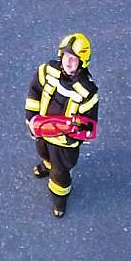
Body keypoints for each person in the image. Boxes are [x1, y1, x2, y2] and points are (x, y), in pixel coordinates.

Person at [29, 31, 102, 216]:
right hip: (41, 132)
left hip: (64, 146)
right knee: (43, 152)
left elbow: (89, 127)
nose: (68, 62)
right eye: (66, 56)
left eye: (74, 58)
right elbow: (34, 93)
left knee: (60, 175)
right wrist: (31, 118)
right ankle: (47, 165)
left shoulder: (87, 92)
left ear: (82, 62)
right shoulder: (47, 71)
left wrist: (69, 134)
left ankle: (60, 201)